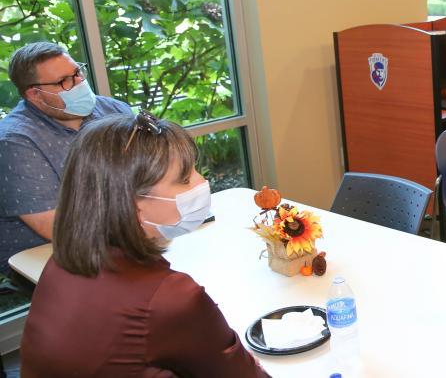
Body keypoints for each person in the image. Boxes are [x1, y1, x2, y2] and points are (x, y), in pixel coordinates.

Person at [21, 113, 268, 377]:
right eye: (184, 179)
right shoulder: (172, 299)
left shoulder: (60, 264)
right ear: (133, 205)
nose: (202, 183)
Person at [0, 42, 132, 277]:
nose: (79, 83)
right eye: (64, 81)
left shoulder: (113, 110)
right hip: (48, 253)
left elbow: (156, 171)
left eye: (77, 72)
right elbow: (55, 226)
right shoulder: (15, 141)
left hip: (123, 235)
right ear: (35, 94)